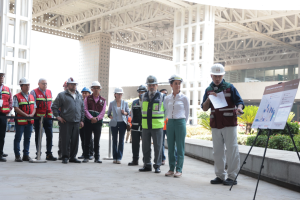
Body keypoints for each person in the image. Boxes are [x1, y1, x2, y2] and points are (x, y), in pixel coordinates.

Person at [202, 64, 244, 186]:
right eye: (215, 76)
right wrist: (209, 99)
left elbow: (240, 102)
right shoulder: (208, 90)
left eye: (219, 76)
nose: (217, 78)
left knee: (232, 149)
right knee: (217, 151)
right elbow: (204, 108)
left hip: (229, 123)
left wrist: (239, 109)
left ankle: (232, 176)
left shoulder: (230, 87)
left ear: (223, 75)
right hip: (215, 124)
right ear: (211, 75)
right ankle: (219, 176)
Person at [52, 77, 84, 164]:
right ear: (68, 85)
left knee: (75, 140)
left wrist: (82, 120)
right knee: (65, 140)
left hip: (76, 122)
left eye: (75, 84)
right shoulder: (62, 95)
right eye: (72, 84)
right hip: (66, 122)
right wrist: (58, 117)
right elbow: (54, 107)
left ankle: (73, 157)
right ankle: (65, 157)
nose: (74, 86)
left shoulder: (79, 96)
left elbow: (82, 109)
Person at [164, 75, 189, 178]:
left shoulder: (184, 98)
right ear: (171, 85)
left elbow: (187, 112)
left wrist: (183, 122)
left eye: (179, 83)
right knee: (170, 146)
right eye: (176, 83)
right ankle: (171, 168)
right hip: (170, 123)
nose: (178, 85)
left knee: (180, 147)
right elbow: (166, 110)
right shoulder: (167, 98)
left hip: (180, 122)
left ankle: (179, 169)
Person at [139, 75, 165, 173]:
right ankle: (147, 165)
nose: (151, 87)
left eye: (153, 85)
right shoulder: (143, 96)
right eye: (149, 85)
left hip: (157, 126)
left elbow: (165, 111)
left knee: (157, 147)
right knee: (145, 146)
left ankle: (157, 165)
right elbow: (142, 109)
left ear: (157, 85)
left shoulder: (162, 96)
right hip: (145, 125)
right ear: (147, 86)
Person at [30, 78, 57, 161]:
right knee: (38, 136)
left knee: (50, 135)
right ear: (38, 84)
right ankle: (38, 153)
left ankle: (49, 154)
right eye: (43, 83)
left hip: (48, 118)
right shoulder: (33, 92)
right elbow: (33, 104)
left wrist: (52, 115)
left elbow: (51, 104)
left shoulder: (49, 92)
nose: (45, 85)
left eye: (46, 83)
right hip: (38, 118)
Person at [13, 77, 36, 162]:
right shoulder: (17, 96)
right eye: (25, 85)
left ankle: (26, 155)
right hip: (20, 122)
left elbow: (34, 108)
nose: (27, 87)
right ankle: (17, 155)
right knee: (18, 138)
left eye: (28, 85)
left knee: (27, 138)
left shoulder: (32, 96)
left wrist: (31, 114)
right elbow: (16, 108)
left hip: (29, 122)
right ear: (21, 86)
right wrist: (26, 115)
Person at [82, 81, 106, 163]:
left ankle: (97, 157)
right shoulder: (87, 98)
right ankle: (86, 156)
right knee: (87, 140)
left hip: (98, 123)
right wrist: (91, 118)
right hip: (88, 122)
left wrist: (97, 118)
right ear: (92, 89)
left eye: (97, 88)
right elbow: (85, 109)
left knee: (97, 141)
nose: (96, 90)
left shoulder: (103, 100)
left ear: (100, 89)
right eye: (94, 88)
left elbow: (103, 112)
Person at [107, 87, 130, 164]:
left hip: (122, 123)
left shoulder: (125, 103)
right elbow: (108, 113)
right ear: (115, 94)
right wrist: (111, 117)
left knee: (121, 140)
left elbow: (128, 113)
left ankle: (119, 157)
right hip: (114, 123)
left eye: (121, 94)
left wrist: (124, 113)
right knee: (114, 140)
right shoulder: (111, 103)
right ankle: (114, 157)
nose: (120, 95)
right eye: (118, 94)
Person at [128, 85, 147, 166]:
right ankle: (135, 160)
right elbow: (131, 114)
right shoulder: (134, 102)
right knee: (135, 145)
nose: (141, 93)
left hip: (145, 127)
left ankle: (146, 161)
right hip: (135, 127)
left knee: (145, 145)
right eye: (140, 92)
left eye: (143, 92)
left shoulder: (147, 102)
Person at [78, 87, 94, 160]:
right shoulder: (80, 101)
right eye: (83, 93)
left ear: (89, 94)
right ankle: (84, 153)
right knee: (82, 138)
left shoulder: (90, 102)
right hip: (81, 122)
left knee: (89, 138)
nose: (84, 94)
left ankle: (90, 153)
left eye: (86, 93)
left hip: (89, 122)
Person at [0, 70, 12, 162]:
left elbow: (10, 102)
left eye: (2, 76)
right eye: (0, 76)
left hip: (3, 114)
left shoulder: (7, 89)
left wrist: (8, 110)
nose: (1, 77)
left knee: (1, 134)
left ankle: (0, 152)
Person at [57, 81, 68, 160]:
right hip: (63, 119)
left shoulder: (75, 96)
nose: (66, 88)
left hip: (72, 120)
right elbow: (56, 107)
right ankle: (61, 153)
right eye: (65, 87)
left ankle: (69, 153)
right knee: (62, 137)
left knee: (70, 138)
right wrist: (59, 117)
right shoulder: (61, 96)